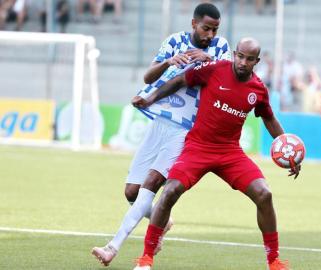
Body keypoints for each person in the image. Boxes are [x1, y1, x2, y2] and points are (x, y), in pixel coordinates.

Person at [132, 38, 300, 270]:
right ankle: (146, 258)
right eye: (239, 56)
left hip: (229, 153)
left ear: (256, 61)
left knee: (264, 194)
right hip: (198, 147)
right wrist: (150, 98)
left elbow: (269, 118)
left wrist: (288, 150)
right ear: (234, 54)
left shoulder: (258, 89)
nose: (242, 62)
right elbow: (180, 79)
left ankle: (274, 261)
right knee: (170, 190)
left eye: (249, 59)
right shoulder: (214, 70)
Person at [91, 3, 231, 266]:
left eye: (214, 30)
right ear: (193, 24)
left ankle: (112, 247)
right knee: (132, 192)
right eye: (205, 28)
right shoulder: (174, 41)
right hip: (159, 124)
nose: (210, 35)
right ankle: (163, 221)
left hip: (186, 130)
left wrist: (210, 60)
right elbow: (148, 76)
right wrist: (169, 61)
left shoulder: (220, 47)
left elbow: (228, 79)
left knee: (151, 185)